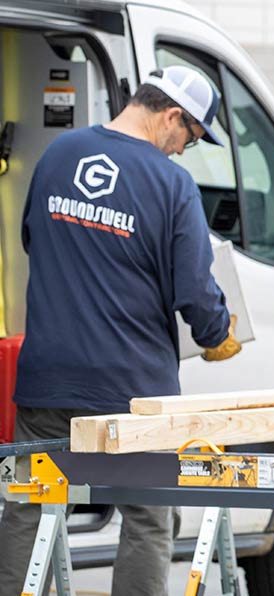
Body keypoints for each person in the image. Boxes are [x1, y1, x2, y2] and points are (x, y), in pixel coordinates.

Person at [0, 65, 240, 593]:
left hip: (48, 382)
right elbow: (196, 294)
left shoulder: (58, 155)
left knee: (29, 504)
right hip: (133, 395)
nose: (183, 151)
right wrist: (218, 332)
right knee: (148, 517)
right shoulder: (172, 184)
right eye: (191, 138)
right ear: (172, 116)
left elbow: (29, 241)